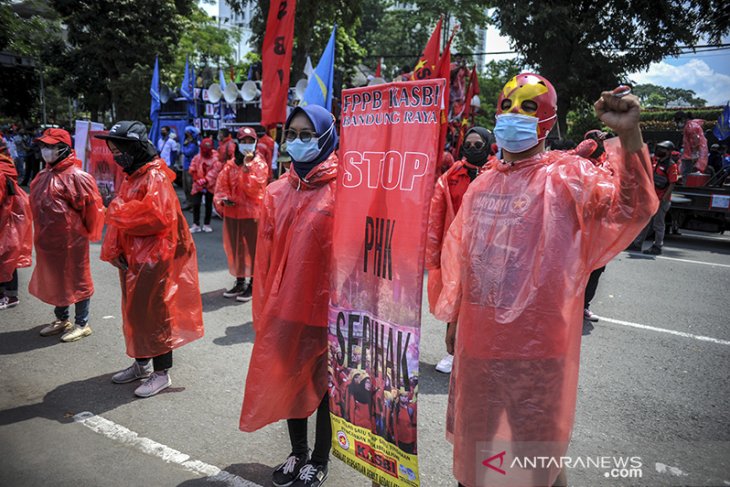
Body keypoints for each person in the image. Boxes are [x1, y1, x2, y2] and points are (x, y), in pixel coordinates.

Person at [434, 74, 657, 487]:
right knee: (475, 452)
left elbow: (634, 205)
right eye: (507, 105)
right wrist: (454, 319)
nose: (513, 115)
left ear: (548, 120)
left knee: (536, 461)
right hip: (479, 346)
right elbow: (465, 260)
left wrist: (629, 135)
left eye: (528, 106)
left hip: (538, 350)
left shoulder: (568, 177)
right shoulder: (482, 185)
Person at [240, 105, 338, 487]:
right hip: (284, 309)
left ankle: (319, 458)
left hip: (326, 314)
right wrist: (263, 308)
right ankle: (298, 453)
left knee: (326, 391)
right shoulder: (276, 192)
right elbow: (263, 259)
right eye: (293, 134)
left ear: (327, 136)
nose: (298, 141)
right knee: (289, 382)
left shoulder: (346, 189)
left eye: (307, 134)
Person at [95, 121, 205, 398]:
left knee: (156, 315)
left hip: (155, 259)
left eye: (119, 149)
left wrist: (115, 209)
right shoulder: (134, 176)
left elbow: (154, 217)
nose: (116, 155)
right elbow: (122, 222)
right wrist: (114, 250)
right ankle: (141, 363)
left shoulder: (154, 177)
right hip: (135, 259)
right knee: (136, 312)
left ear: (134, 147)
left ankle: (161, 373)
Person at [426, 127, 494, 374]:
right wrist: (434, 254)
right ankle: (451, 352)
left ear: (488, 145)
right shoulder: (452, 176)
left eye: (479, 145)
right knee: (455, 299)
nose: (473, 149)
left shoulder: (498, 173)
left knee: (482, 302)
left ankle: (477, 353)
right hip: (455, 249)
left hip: (488, 251)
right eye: (470, 145)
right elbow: (436, 214)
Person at [29, 128, 104, 342]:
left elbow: (92, 211)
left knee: (77, 279)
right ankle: (62, 319)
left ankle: (82, 323)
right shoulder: (43, 175)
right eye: (44, 146)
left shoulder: (77, 177)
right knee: (56, 277)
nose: (46, 150)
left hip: (72, 241)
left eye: (51, 146)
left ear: (64, 149)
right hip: (48, 241)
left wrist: (85, 234)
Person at [215, 127, 268, 301]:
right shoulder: (230, 165)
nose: (247, 145)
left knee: (252, 250)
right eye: (243, 141)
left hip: (252, 215)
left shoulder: (259, 164)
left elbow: (255, 190)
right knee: (236, 249)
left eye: (250, 141)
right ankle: (240, 282)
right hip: (233, 214)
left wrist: (246, 170)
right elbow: (221, 186)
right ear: (237, 142)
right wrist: (224, 199)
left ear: (255, 142)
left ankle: (253, 284)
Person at [627, 140, 678, 255]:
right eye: (659, 148)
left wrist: (664, 198)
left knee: (658, 224)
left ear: (669, 152)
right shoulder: (656, 161)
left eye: (663, 149)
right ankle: (637, 244)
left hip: (661, 200)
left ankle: (657, 246)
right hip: (651, 198)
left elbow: (672, 183)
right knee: (645, 222)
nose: (660, 151)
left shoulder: (671, 165)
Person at [0, 137, 33, 309]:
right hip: (9, 219)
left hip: (6, 220)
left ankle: (9, 296)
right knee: (7, 257)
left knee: (6, 258)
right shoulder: (6, 165)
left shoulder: (1, 170)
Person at [189, 137, 221, 233]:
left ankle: (207, 224)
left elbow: (215, 172)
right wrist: (196, 177)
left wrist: (206, 180)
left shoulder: (216, 158)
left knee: (208, 205)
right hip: (197, 184)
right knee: (196, 204)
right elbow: (192, 167)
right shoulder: (198, 157)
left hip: (210, 185)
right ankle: (196, 224)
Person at [674, 111, 708, 178]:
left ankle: (687, 187)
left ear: (683, 119)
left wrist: (695, 154)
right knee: (686, 173)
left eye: (678, 122)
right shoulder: (690, 125)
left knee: (687, 174)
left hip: (691, 155)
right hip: (690, 154)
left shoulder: (691, 127)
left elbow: (695, 142)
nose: (678, 124)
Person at [181, 127, 199, 211]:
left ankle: (193, 204)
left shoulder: (194, 144)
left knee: (191, 186)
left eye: (188, 132)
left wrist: (184, 147)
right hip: (185, 166)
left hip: (191, 167)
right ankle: (188, 202)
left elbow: (188, 153)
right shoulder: (187, 142)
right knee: (186, 186)